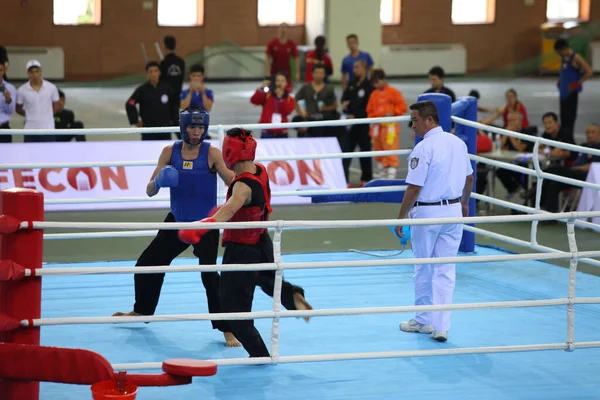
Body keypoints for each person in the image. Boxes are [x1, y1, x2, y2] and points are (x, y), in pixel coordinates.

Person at [178, 128, 313, 358]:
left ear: (229, 152)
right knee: (267, 279)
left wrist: (203, 225)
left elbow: (231, 208)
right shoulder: (261, 170)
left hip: (242, 250)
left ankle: (259, 355)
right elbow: (235, 204)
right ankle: (293, 296)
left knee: (233, 311)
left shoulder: (242, 186)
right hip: (262, 241)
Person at [113, 107, 240, 348]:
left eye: (200, 127)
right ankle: (142, 311)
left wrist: (246, 182)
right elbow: (149, 190)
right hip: (177, 222)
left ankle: (227, 329)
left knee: (210, 277)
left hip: (205, 225)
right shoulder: (169, 152)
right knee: (146, 264)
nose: (196, 132)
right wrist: (160, 181)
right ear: (183, 127)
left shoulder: (211, 152)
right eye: (192, 127)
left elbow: (231, 181)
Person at [394, 100, 473, 342]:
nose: (412, 125)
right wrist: (465, 203)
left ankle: (423, 320)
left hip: (427, 214)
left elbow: (413, 189)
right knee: (446, 270)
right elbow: (469, 179)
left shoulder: (423, 148)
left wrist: (399, 218)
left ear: (429, 120)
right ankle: (441, 327)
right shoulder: (458, 143)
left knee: (423, 266)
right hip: (453, 211)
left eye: (415, 120)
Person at [366, 69, 407, 179]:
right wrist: (376, 116)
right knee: (379, 153)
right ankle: (382, 178)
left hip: (390, 129)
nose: (376, 85)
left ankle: (391, 179)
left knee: (391, 153)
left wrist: (393, 112)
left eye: (377, 82)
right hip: (377, 128)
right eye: (374, 83)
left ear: (383, 80)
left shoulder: (394, 92)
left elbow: (402, 107)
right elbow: (369, 111)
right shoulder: (373, 95)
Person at [126, 61, 179, 141]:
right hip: (148, 128)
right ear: (147, 74)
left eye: (155, 71)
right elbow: (130, 104)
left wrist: (173, 121)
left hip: (164, 128)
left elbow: (174, 104)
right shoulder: (142, 90)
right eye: (150, 71)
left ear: (159, 73)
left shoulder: (167, 88)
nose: (153, 74)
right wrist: (135, 121)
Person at [341, 60, 374, 186]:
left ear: (364, 69)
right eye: (353, 68)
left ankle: (366, 180)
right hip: (350, 124)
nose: (354, 70)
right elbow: (344, 99)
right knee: (346, 152)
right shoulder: (351, 84)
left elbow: (367, 105)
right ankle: (344, 180)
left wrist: (353, 109)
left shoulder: (369, 86)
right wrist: (346, 104)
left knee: (365, 152)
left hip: (363, 124)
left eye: (357, 68)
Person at [554, 39, 593, 138]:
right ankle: (564, 140)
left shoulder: (576, 57)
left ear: (564, 49)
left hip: (571, 92)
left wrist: (578, 83)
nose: (559, 54)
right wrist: (560, 80)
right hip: (563, 92)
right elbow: (563, 70)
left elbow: (589, 72)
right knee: (563, 119)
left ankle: (569, 141)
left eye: (559, 52)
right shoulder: (563, 57)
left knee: (569, 119)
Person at [16, 60, 60, 142]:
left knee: (49, 154)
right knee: (30, 154)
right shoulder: (22, 90)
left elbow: (57, 106)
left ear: (41, 72)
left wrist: (47, 115)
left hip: (48, 129)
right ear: (28, 73)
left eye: (37, 71)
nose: (35, 74)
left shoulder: (51, 88)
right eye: (32, 72)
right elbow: (18, 108)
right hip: (30, 129)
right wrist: (30, 114)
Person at [250, 73, 295, 138]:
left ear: (286, 83)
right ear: (274, 82)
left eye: (282, 81)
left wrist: (280, 99)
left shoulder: (289, 98)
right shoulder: (267, 95)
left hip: (282, 132)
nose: (280, 83)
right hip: (266, 131)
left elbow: (287, 111)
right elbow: (254, 101)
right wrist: (262, 88)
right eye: (277, 80)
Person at [265, 23, 299, 92]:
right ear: (278, 29)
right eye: (281, 28)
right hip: (274, 72)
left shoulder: (292, 44)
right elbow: (267, 59)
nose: (283, 30)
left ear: (288, 30)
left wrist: (297, 73)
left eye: (285, 28)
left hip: (287, 73)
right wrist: (267, 73)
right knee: (273, 92)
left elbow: (296, 59)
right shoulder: (272, 43)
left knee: (286, 92)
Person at [159, 35, 185, 101]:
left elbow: (160, 80)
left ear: (164, 46)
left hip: (165, 96)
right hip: (177, 95)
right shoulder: (181, 62)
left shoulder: (163, 63)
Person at [0, 62, 16, 143]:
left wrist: (8, 100)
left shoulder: (10, 88)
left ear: (3, 71)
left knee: (6, 155)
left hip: (4, 128)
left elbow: (11, 112)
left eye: (0, 70)